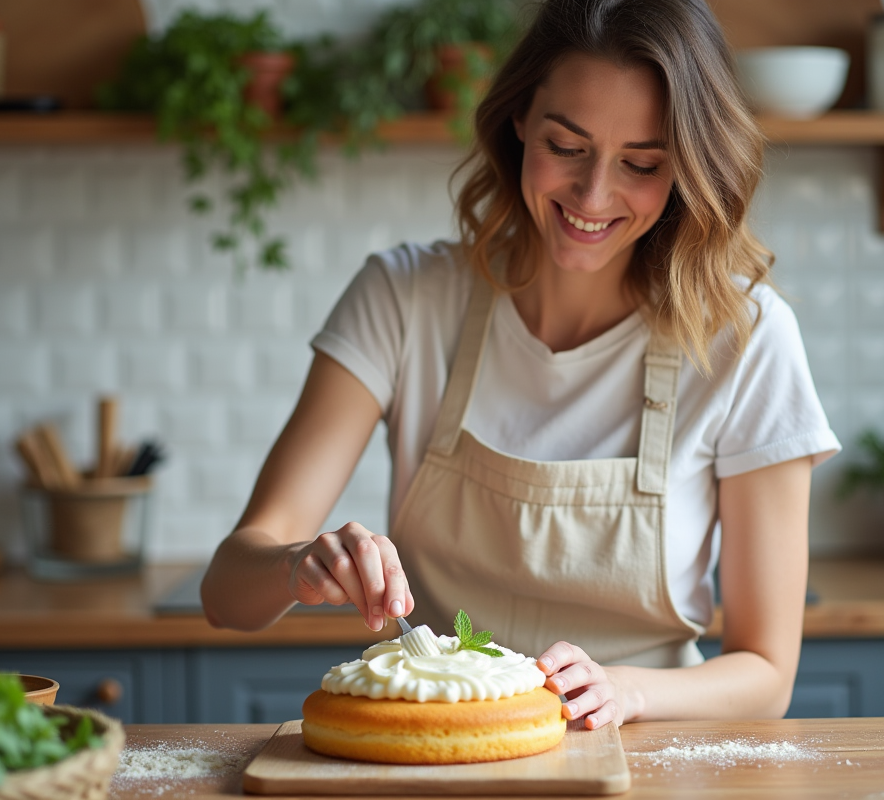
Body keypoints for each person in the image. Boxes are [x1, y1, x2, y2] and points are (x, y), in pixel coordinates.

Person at [201, 0, 840, 729]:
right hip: (443, 754)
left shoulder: (747, 339)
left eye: (641, 163)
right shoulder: (405, 299)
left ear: (690, 168)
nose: (593, 195)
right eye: (566, 146)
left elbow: (767, 675)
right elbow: (226, 595)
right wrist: (295, 565)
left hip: (652, 762)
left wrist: (626, 692)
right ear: (518, 121)